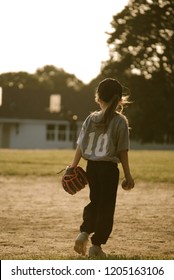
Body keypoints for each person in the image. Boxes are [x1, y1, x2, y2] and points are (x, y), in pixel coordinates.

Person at [69, 78, 135, 258]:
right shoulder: (120, 121)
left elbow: (80, 147)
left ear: (98, 97)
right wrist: (128, 176)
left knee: (95, 201)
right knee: (106, 207)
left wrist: (72, 167)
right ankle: (96, 246)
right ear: (120, 99)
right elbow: (123, 152)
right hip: (108, 170)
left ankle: (84, 232)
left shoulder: (91, 118)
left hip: (92, 168)